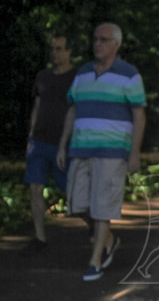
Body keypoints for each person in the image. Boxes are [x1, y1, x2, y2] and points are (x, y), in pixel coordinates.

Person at [56, 23, 145, 281]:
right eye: (95, 39)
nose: (97, 44)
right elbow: (72, 109)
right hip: (80, 148)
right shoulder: (83, 72)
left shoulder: (129, 75)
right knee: (77, 204)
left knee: (102, 207)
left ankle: (95, 260)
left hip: (113, 151)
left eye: (104, 40)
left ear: (116, 44)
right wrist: (63, 144)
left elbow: (139, 115)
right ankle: (108, 239)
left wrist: (134, 153)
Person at [23, 33, 76, 252]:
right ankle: (40, 237)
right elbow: (37, 106)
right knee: (35, 188)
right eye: (52, 48)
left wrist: (65, 143)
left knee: (72, 192)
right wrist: (30, 137)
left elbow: (74, 110)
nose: (54, 53)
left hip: (63, 144)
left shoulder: (76, 77)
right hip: (39, 142)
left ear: (68, 51)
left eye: (59, 49)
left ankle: (98, 232)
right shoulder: (43, 76)